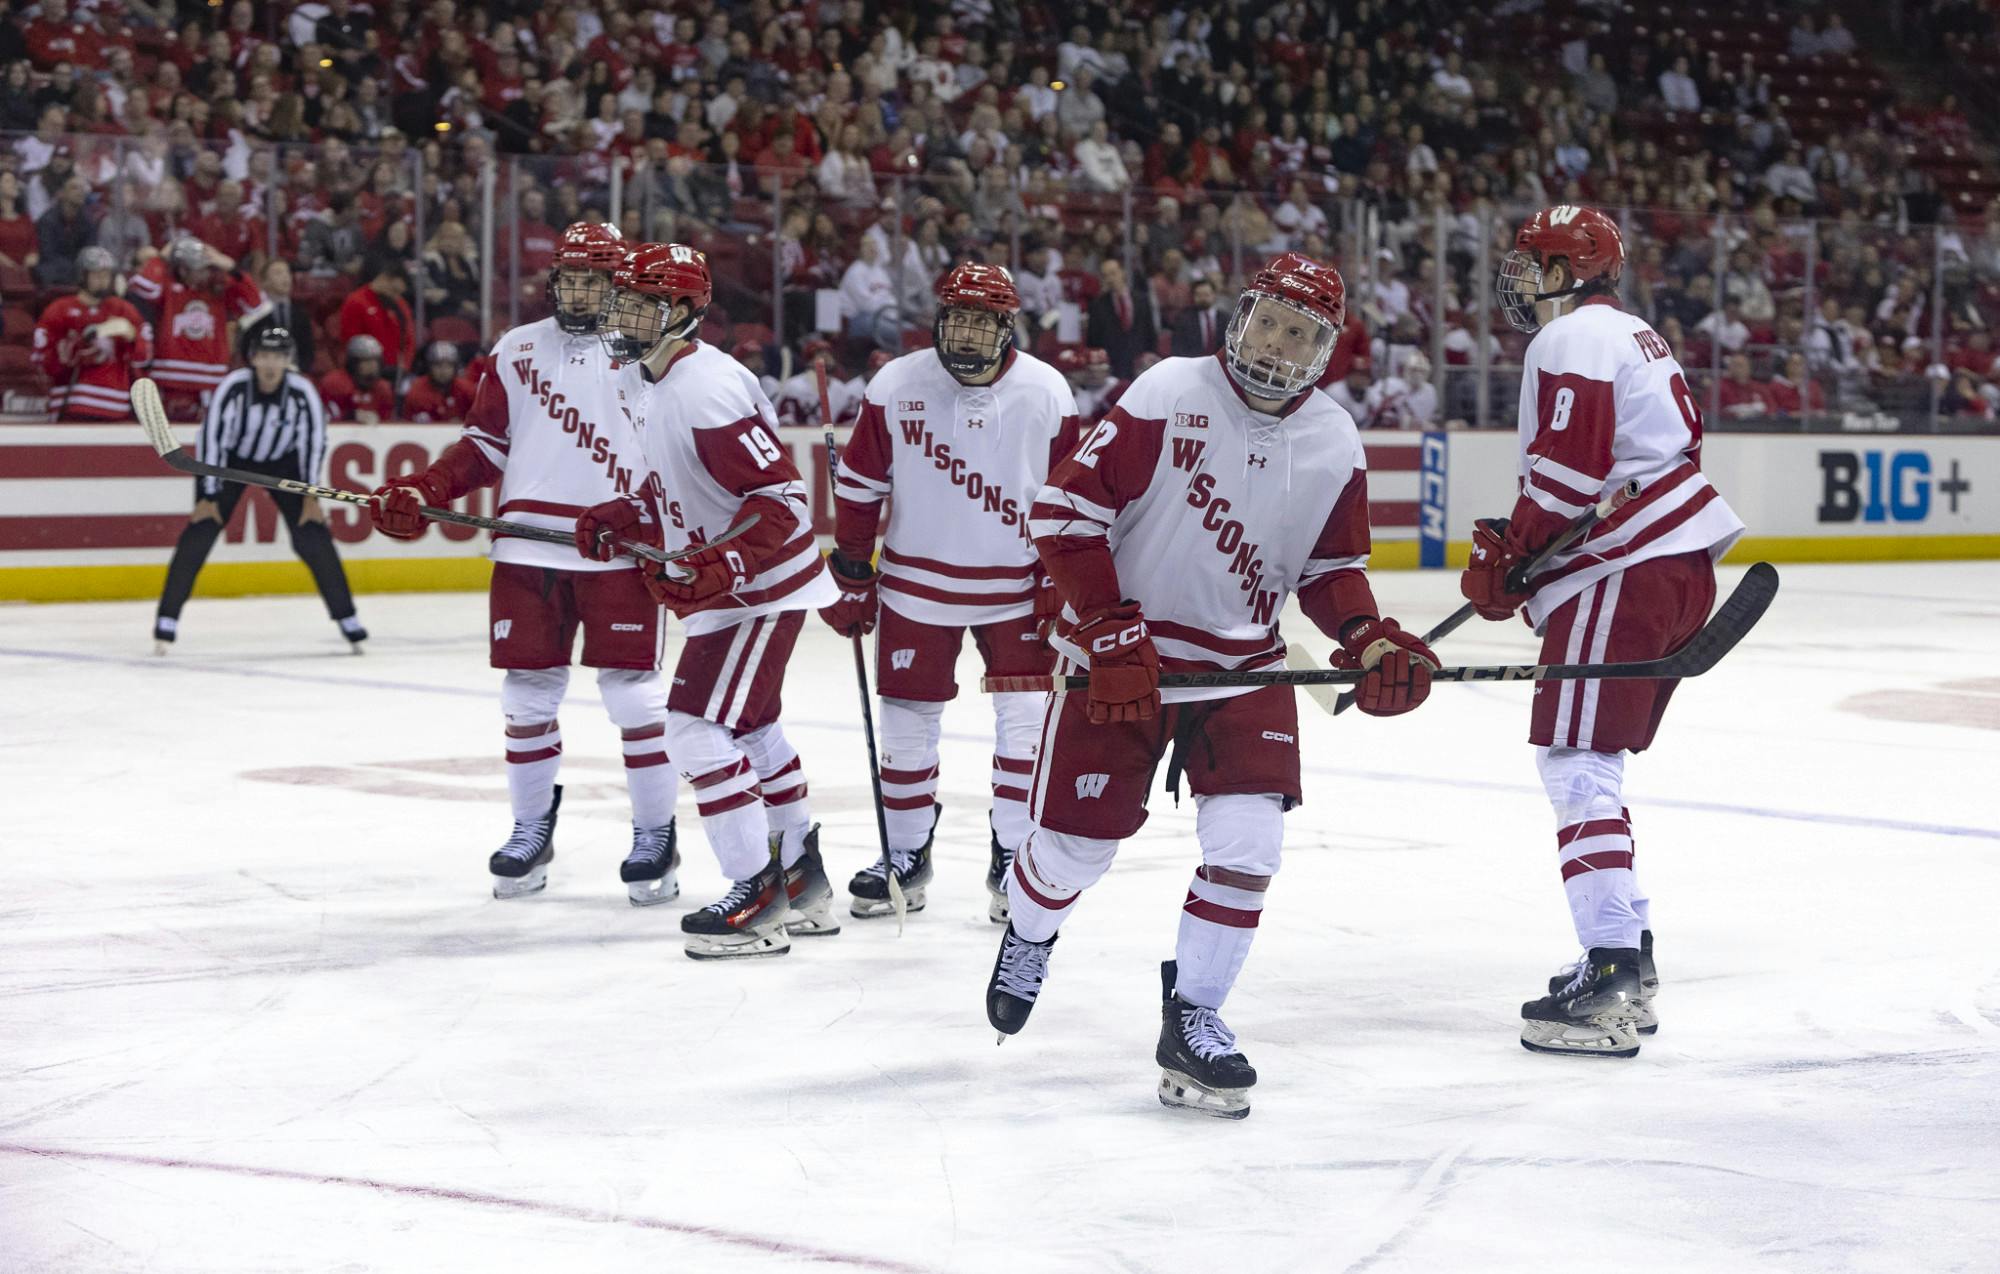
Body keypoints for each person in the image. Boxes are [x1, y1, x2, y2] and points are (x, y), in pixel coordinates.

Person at [986, 253, 1438, 1117]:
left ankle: (1193, 1019)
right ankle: (1030, 930)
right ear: (1243, 316)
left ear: (1324, 349)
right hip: (1126, 662)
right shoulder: (1169, 393)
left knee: (1248, 849)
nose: (1276, 341)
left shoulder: (1335, 438)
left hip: (1242, 670)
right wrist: (1109, 624)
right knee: (1075, 853)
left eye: (1298, 331)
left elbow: (1333, 569)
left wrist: (1367, 636)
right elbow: (1063, 516)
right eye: (1269, 319)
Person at [1472, 204, 1745, 1058]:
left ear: (1568, 272)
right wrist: (1528, 559)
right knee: (1594, 759)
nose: (1520, 279)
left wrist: (1515, 551)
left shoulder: (1570, 339)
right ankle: (1632, 951)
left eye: (1533, 263)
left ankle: (1612, 971)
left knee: (1578, 760)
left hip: (1624, 567)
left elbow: (1568, 468)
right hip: (1673, 562)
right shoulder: (1634, 335)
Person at [366, 222, 683, 905]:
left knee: (632, 698)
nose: (577, 292)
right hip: (526, 548)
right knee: (526, 696)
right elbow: (484, 446)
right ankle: (529, 829)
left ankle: (656, 834)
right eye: (568, 279)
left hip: (618, 553)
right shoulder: (516, 349)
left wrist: (644, 517)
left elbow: (681, 453)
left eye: (592, 280)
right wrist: (425, 489)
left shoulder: (651, 354)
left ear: (619, 284)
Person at [572, 242, 839, 959]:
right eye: (621, 300)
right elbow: (679, 486)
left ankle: (755, 893)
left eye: (640, 304)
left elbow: (780, 497)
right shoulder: (642, 380)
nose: (622, 315)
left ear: (686, 312)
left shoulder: (706, 387)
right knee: (751, 731)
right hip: (735, 584)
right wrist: (627, 518)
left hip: (758, 585)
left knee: (692, 726)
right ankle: (801, 879)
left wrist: (725, 560)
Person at [822, 262, 1082, 923]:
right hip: (916, 587)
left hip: (1017, 592)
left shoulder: (1047, 391)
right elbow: (859, 486)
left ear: (1007, 326)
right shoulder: (897, 382)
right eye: (957, 318)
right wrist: (854, 568)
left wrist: (1060, 575)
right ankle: (906, 853)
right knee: (907, 733)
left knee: (1024, 733)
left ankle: (1015, 854)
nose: (966, 333)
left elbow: (1071, 498)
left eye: (982, 321)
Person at [152, 326, 365, 653]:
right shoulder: (234, 387)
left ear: (287, 360)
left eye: (277, 356)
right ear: (252, 358)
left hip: (284, 463)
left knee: (313, 535)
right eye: (264, 355)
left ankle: (347, 617)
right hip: (231, 463)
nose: (270, 364)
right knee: (201, 529)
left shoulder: (301, 391)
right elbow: (212, 438)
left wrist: (310, 494)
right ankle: (167, 620)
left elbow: (313, 441)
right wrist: (209, 495)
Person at [34, 245, 150, 420]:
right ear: (82, 275)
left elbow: (143, 357)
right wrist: (69, 349)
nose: (103, 280)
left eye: (106, 275)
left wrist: (132, 337)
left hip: (113, 404)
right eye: (96, 275)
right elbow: (43, 361)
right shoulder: (59, 309)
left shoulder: (123, 310)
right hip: (70, 403)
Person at [127, 237, 231, 421]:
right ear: (182, 269)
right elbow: (141, 286)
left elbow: (255, 302)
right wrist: (160, 258)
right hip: (169, 376)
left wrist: (232, 267)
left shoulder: (218, 289)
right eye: (199, 268)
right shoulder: (167, 287)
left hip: (209, 379)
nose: (205, 273)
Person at [318, 334, 397, 422]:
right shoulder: (334, 383)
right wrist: (351, 415)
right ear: (353, 364)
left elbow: (388, 422)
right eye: (367, 362)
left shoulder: (383, 389)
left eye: (375, 362)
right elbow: (325, 418)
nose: (372, 368)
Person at [403, 340, 477, 422]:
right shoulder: (416, 391)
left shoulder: (467, 390)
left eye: (448, 365)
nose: (443, 371)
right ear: (429, 367)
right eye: (438, 365)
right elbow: (408, 424)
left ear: (455, 368)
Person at [1169, 277, 1226, 357]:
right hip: (1192, 363)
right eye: (1199, 295)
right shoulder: (1184, 319)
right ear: (1193, 296)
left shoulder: (1225, 319)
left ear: (1214, 295)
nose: (1203, 298)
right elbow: (1178, 348)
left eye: (1206, 294)